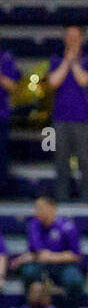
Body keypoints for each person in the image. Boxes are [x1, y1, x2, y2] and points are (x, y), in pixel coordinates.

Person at [48, 26, 88, 202]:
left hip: (82, 118)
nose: (72, 39)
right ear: (64, 39)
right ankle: (61, 199)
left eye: (76, 36)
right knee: (60, 160)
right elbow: (53, 82)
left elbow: (84, 80)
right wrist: (66, 62)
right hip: (59, 118)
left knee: (85, 160)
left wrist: (74, 62)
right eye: (69, 36)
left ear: (81, 39)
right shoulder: (55, 59)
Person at [16, 196, 86, 308]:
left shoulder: (67, 226)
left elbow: (75, 255)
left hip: (63, 265)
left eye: (41, 208)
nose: (37, 211)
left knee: (75, 280)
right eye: (36, 208)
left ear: (52, 208)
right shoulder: (34, 225)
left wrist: (52, 257)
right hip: (41, 264)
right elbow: (37, 252)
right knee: (28, 272)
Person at [0, 42, 18, 197]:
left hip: (1, 114)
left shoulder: (5, 58)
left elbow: (14, 87)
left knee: (1, 155)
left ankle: (2, 191)